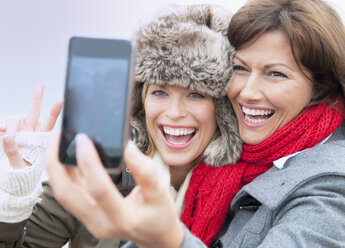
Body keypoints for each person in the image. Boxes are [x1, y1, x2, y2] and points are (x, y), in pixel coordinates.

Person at [45, 0, 345, 247]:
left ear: (320, 87)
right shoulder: (245, 160)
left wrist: (168, 239)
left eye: (275, 74)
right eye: (240, 68)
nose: (248, 92)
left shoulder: (330, 185)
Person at [0, 4, 243, 247]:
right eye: (159, 92)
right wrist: (16, 196)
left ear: (221, 110)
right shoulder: (95, 172)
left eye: (196, 94)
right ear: (141, 100)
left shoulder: (245, 197)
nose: (174, 112)